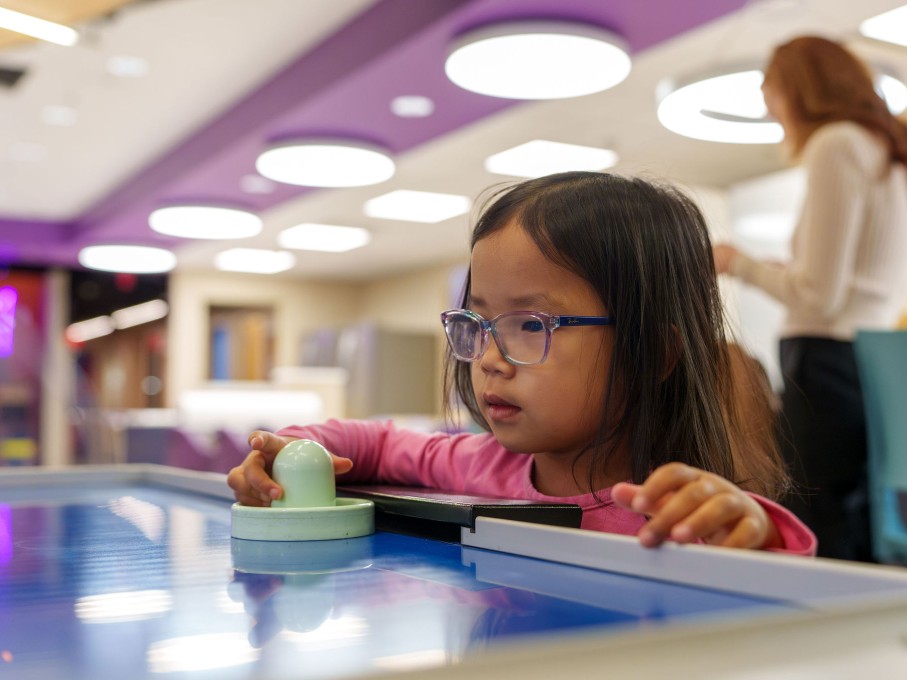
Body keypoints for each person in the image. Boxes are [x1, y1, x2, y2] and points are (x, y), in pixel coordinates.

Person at [229, 171, 816, 555]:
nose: (488, 360)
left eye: (531, 326)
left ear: (653, 355)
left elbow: (772, 561)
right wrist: (288, 450)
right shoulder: (480, 465)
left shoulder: (680, 510)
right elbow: (374, 444)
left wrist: (752, 529)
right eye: (478, 324)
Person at [713, 36, 907, 561]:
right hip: (866, 355)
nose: (771, 110)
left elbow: (818, 297)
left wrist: (739, 264)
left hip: (822, 357)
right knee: (861, 510)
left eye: (772, 94)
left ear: (798, 89)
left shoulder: (835, 144)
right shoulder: (886, 153)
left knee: (822, 518)